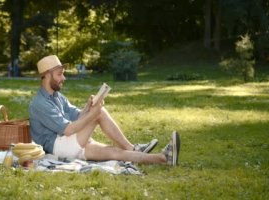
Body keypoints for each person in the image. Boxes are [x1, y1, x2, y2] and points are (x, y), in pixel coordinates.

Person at [29, 55, 180, 166]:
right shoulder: (39, 103)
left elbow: (78, 116)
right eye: (60, 74)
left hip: (71, 142)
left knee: (115, 152)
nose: (64, 78)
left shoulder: (57, 96)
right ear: (47, 75)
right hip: (59, 147)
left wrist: (88, 108)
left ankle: (164, 158)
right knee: (99, 113)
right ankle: (133, 147)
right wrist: (94, 114)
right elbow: (68, 129)